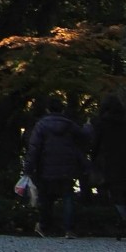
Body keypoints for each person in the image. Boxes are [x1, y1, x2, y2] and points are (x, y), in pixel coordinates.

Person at [24, 95, 90, 238]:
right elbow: (84, 136)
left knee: (46, 198)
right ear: (62, 109)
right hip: (67, 166)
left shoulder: (41, 125)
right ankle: (69, 229)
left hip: (45, 167)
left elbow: (34, 148)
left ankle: (44, 226)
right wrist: (88, 126)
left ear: (48, 109)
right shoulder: (69, 125)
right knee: (67, 196)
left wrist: (28, 168)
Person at [88, 91, 126, 242]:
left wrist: (93, 160)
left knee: (116, 194)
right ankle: (123, 225)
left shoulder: (101, 124)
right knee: (124, 193)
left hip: (109, 163)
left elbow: (95, 145)